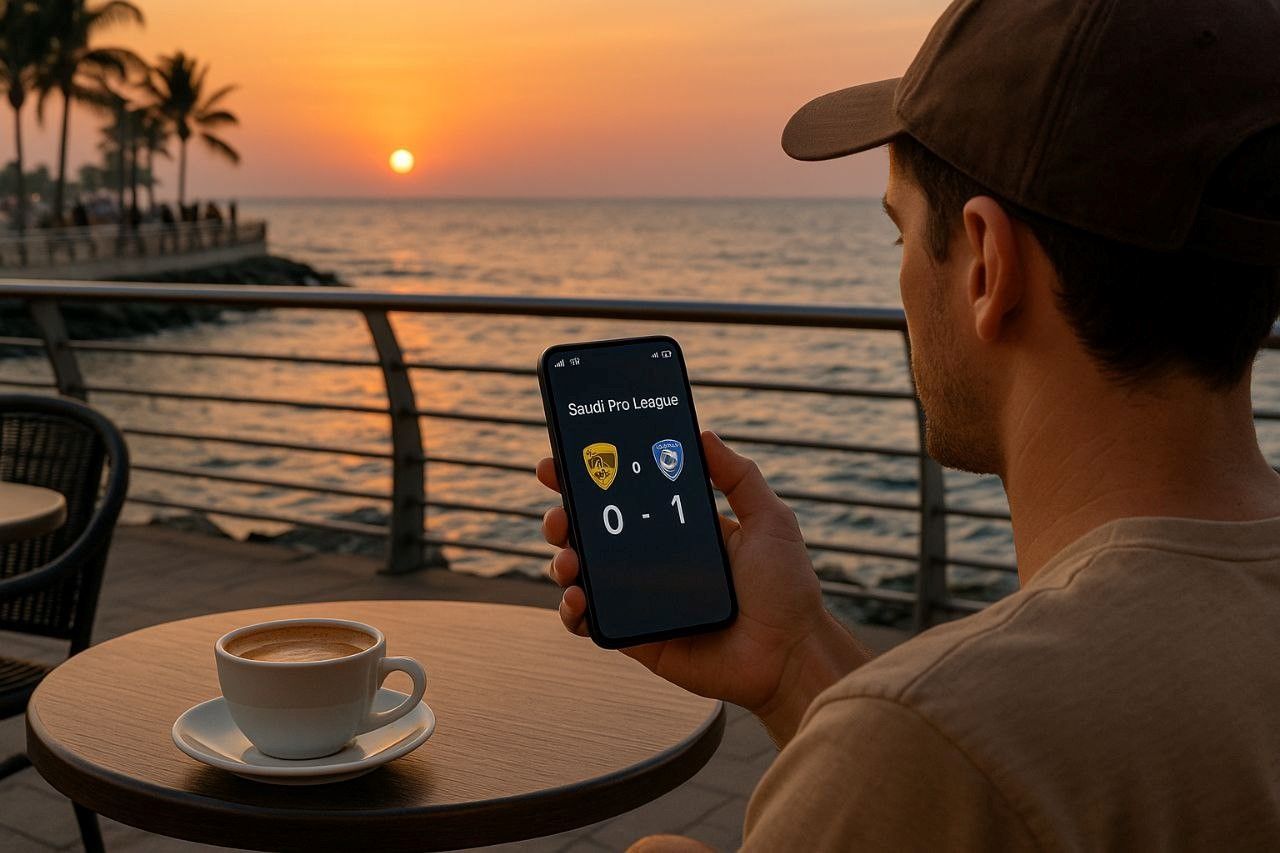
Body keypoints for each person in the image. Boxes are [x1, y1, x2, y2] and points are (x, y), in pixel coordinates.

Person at [536, 0, 1280, 849]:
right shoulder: (968, 746)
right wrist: (795, 657)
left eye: (902, 234)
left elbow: (947, 758)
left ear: (987, 266)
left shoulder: (934, 744)